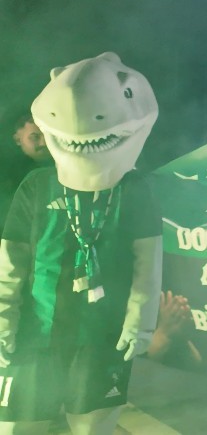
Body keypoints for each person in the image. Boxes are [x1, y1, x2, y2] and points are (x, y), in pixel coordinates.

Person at [0, 53, 162, 435]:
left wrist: (140, 323)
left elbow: (148, 260)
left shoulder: (135, 188)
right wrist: (3, 318)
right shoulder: (36, 186)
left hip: (102, 337)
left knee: (91, 428)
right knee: (20, 426)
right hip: (34, 332)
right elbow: (11, 260)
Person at [1, 112, 54, 238]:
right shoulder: (6, 175)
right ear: (18, 139)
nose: (44, 143)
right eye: (35, 137)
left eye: (48, 136)